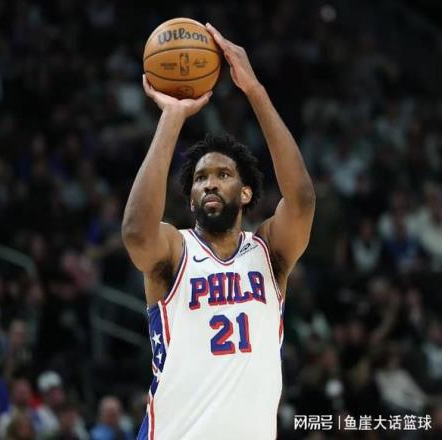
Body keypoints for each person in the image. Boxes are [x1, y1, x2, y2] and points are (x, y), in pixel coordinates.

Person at [122, 23, 315, 439]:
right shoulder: (175, 250)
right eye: (200, 178)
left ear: (246, 193)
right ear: (191, 200)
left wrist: (255, 91)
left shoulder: (269, 252)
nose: (210, 183)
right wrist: (172, 117)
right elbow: (136, 232)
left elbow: (301, 200)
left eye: (223, 174)